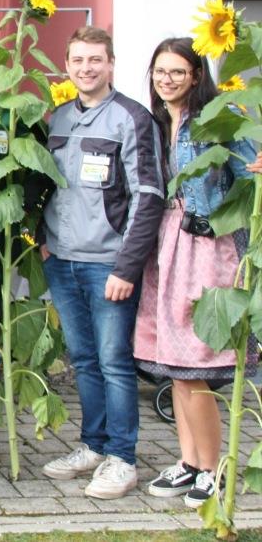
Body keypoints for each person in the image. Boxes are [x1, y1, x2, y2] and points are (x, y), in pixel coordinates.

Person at [39, 26, 165, 499]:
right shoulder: (59, 119)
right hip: (63, 260)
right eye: (78, 60)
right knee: (85, 360)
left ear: (111, 64)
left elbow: (148, 196)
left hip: (108, 264)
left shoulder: (131, 119)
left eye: (96, 59)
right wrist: (42, 241)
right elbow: (45, 186)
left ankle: (123, 458)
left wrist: (126, 268)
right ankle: (93, 445)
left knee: (115, 362)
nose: (86, 68)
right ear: (66, 66)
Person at [134, 37, 256, 507]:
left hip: (206, 245)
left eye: (177, 72)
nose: (167, 80)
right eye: (160, 72)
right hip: (167, 243)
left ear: (196, 76)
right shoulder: (161, 122)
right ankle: (188, 463)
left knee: (194, 365)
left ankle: (214, 468)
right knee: (175, 366)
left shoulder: (218, 121)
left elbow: (248, 176)